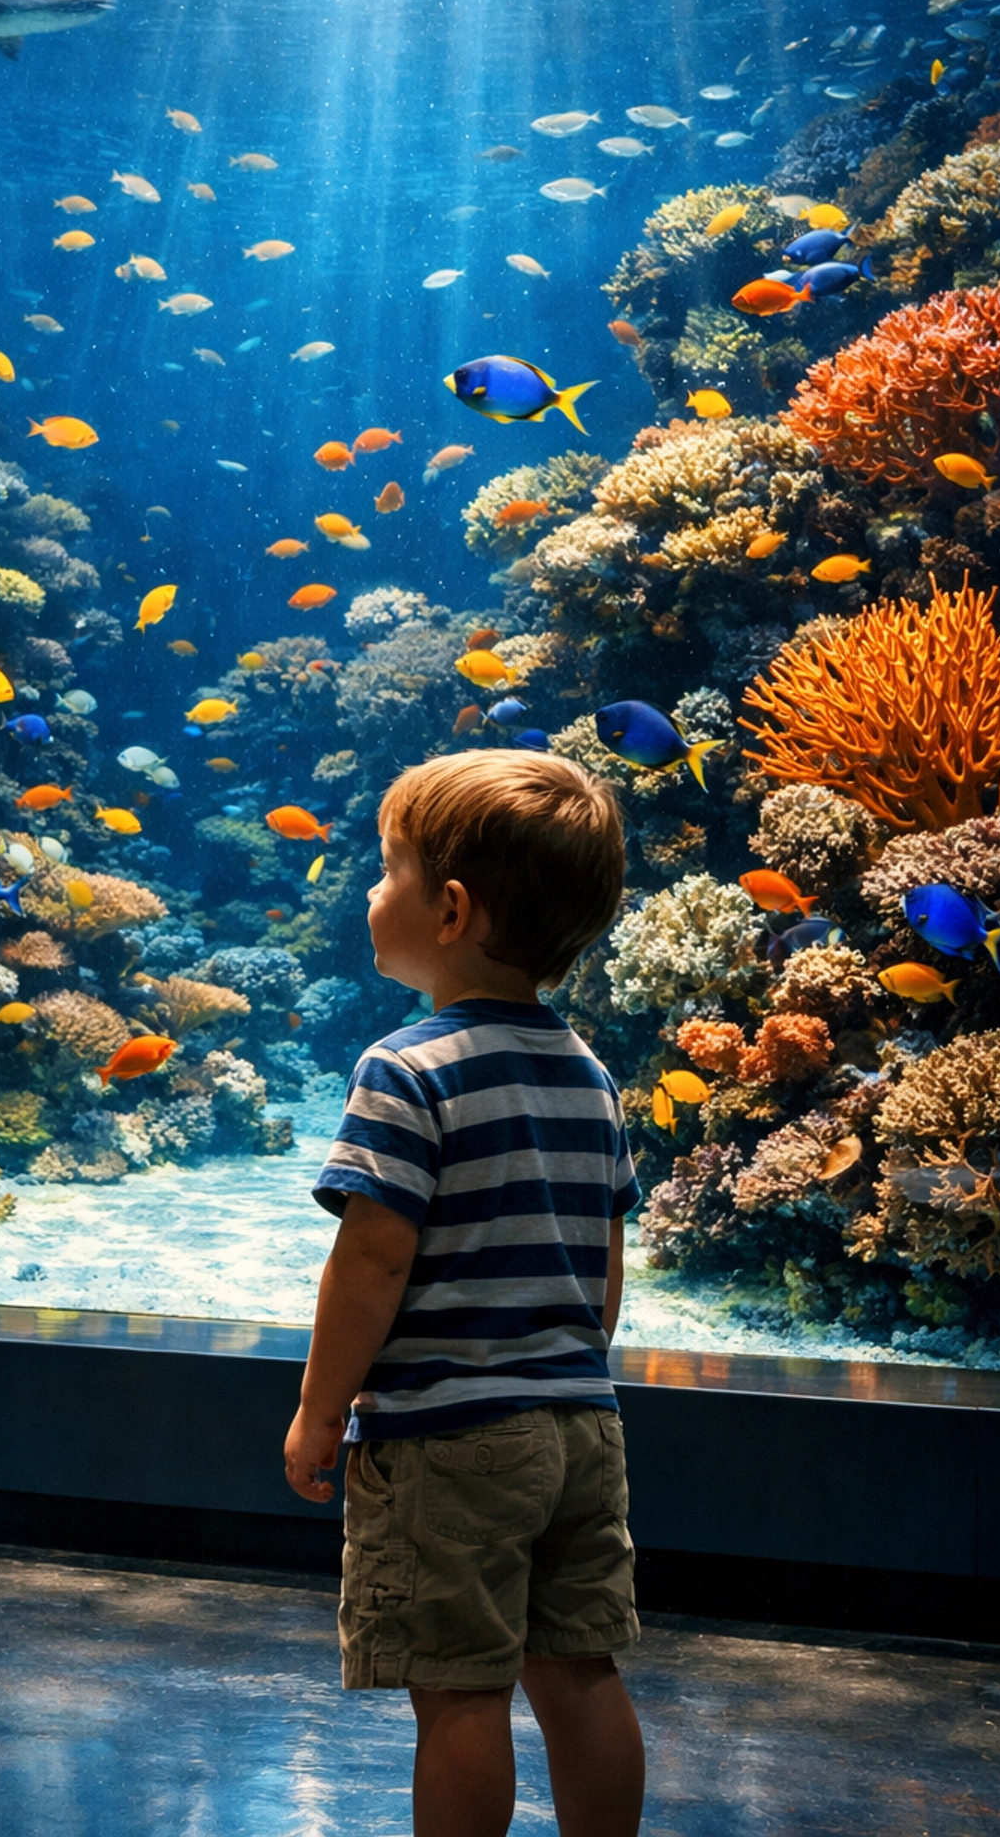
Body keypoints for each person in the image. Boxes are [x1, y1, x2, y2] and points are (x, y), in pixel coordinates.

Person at [283, 748, 644, 1837]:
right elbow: (605, 1261)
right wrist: (565, 1365)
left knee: (456, 1692)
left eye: (385, 870)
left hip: (450, 1439)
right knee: (580, 1670)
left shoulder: (405, 1068)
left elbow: (373, 1260)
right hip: (583, 1428)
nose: (366, 891)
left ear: (449, 911)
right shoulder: (590, 1071)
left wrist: (320, 1405)